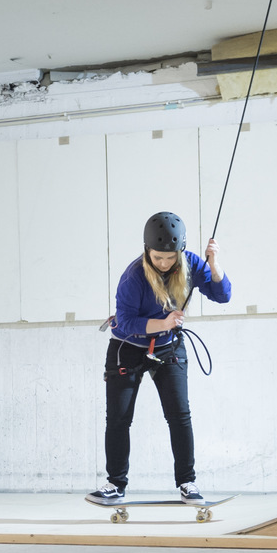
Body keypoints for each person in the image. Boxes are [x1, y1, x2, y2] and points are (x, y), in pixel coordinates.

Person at [90, 211, 230, 506]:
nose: (164, 264)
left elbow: (222, 295)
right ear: (147, 251)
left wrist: (214, 266)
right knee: (118, 419)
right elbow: (126, 322)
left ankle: (187, 483)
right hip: (127, 347)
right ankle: (115, 484)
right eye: (157, 257)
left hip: (168, 348)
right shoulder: (133, 276)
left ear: (180, 252)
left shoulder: (191, 263)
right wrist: (164, 323)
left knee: (179, 416)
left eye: (170, 258)